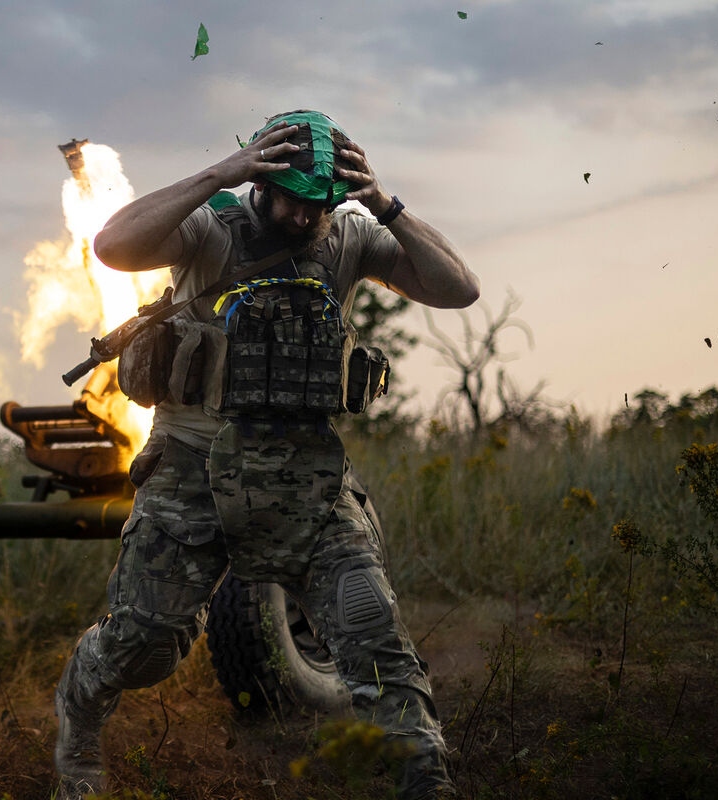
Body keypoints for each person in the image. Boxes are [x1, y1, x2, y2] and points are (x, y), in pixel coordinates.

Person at [54, 110, 479, 800]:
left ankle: (425, 779)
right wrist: (222, 172)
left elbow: (459, 287)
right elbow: (113, 246)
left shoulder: (349, 234)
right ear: (261, 181)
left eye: (321, 203)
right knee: (144, 646)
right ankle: (79, 712)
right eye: (292, 199)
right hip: (192, 467)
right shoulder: (209, 226)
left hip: (306, 479)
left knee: (372, 634)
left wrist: (382, 203)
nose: (305, 216)